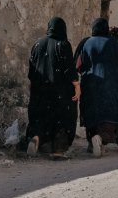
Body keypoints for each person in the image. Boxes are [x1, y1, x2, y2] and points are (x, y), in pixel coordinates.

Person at [75, 18, 118, 157]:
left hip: (90, 86)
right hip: (111, 88)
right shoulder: (115, 44)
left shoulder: (86, 42)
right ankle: (101, 139)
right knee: (110, 118)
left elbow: (77, 65)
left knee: (92, 115)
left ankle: (93, 140)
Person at [26, 17, 79, 159]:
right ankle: (58, 150)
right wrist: (77, 85)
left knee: (40, 117)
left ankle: (36, 138)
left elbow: (31, 72)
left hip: (39, 91)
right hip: (59, 93)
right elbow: (69, 69)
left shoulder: (37, 44)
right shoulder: (63, 44)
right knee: (62, 118)